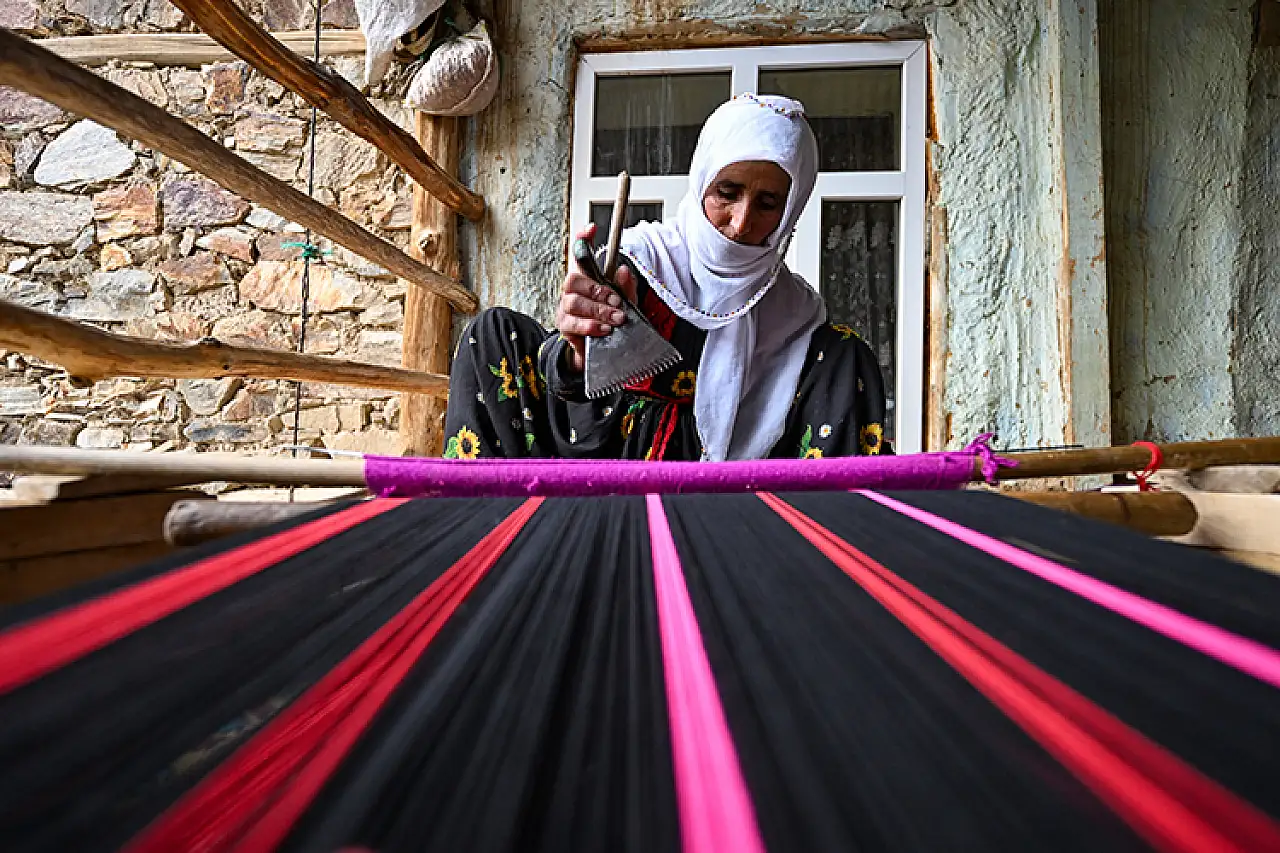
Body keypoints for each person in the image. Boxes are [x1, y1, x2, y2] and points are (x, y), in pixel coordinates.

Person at [442, 93, 891, 462]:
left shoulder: (794, 316)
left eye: (768, 204)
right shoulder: (640, 264)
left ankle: (819, 534)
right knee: (492, 333)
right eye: (727, 193)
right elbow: (570, 390)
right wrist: (580, 352)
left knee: (846, 355)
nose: (740, 222)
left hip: (734, 493)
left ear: (791, 210)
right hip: (604, 456)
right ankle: (493, 524)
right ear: (701, 182)